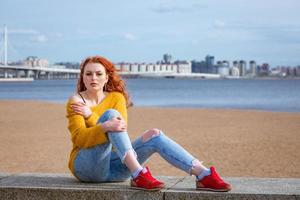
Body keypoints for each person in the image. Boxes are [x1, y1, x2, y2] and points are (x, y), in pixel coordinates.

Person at [66, 55, 231, 192]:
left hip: (115, 169)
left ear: (106, 77)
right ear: (82, 77)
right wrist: (103, 126)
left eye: (98, 74)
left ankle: (203, 175)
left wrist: (92, 117)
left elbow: (118, 132)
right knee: (111, 116)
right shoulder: (76, 101)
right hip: (86, 167)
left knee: (154, 135)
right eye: (88, 74)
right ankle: (138, 173)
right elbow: (80, 139)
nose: (93, 78)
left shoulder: (116, 97)